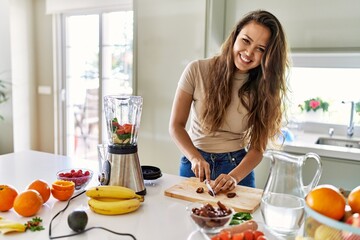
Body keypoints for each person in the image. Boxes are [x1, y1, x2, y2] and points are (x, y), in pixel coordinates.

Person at [169, 10, 289, 193]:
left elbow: (257, 148)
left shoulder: (266, 89)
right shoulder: (197, 70)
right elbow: (176, 126)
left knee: (241, 221)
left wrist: (235, 176)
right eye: (246, 41)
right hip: (195, 165)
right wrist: (195, 158)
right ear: (235, 36)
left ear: (269, 56)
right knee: (189, 220)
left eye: (261, 49)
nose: (249, 53)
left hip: (237, 168)